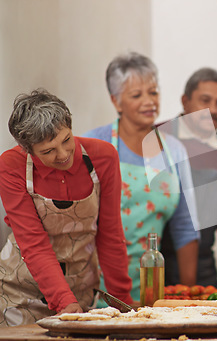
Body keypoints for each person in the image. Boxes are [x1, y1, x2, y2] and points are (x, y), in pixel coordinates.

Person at [0, 89, 132, 327]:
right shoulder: (11, 166)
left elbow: (110, 234)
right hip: (20, 291)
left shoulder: (103, 157)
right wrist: (63, 302)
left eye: (66, 140)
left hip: (80, 291)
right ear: (28, 149)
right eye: (48, 151)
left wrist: (122, 302)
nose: (63, 155)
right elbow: (33, 242)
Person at [83, 52, 199, 301]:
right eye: (137, 95)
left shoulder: (174, 150)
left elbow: (186, 228)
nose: (149, 101)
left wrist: (188, 295)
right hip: (94, 284)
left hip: (150, 284)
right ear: (116, 101)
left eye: (153, 92)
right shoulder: (94, 144)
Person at [159, 67, 217, 287]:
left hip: (205, 271)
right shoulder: (156, 139)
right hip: (156, 268)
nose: (213, 110)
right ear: (185, 101)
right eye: (205, 100)